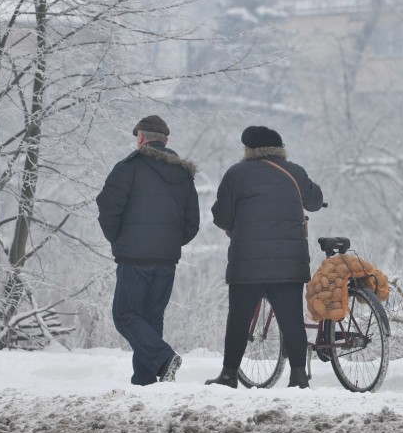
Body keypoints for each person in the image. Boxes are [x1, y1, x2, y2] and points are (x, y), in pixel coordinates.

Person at [207, 125, 324, 389]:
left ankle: (228, 376)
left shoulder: (236, 174)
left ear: (248, 150)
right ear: (279, 150)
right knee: (291, 318)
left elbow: (221, 216)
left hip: (247, 263)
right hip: (289, 262)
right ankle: (298, 377)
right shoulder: (294, 172)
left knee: (239, 318)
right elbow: (315, 201)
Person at [96, 115, 199, 386]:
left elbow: (107, 207)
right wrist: (170, 243)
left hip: (133, 258)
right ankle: (145, 380)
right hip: (166, 259)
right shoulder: (183, 174)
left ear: (141, 138)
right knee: (151, 318)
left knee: (125, 315)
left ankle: (164, 359)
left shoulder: (128, 168)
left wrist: (118, 239)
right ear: (166, 141)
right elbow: (192, 222)